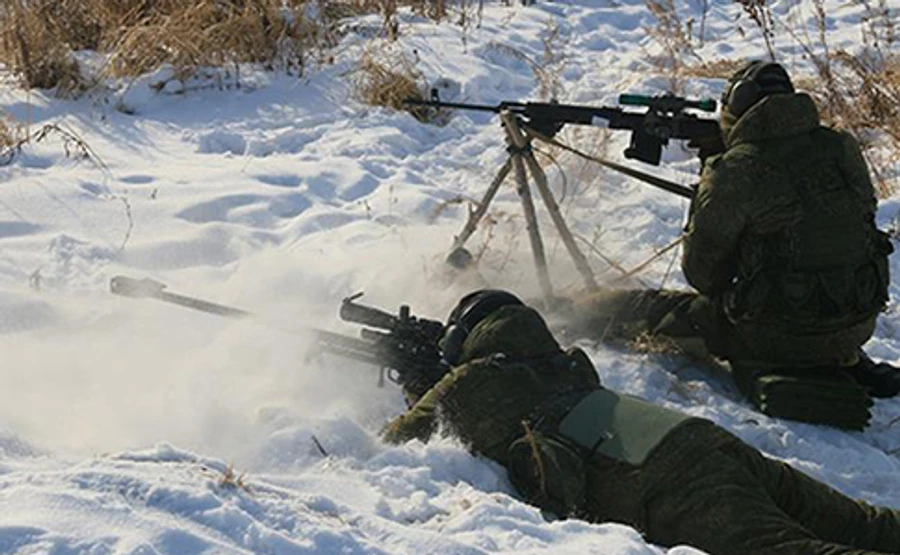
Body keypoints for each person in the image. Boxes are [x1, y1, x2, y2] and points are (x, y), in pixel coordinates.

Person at [382, 290, 900, 555]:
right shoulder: (565, 365)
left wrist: (421, 380)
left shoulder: (470, 384)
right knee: (867, 525)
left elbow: (399, 448)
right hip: (704, 442)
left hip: (676, 486)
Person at [564, 60, 895, 430]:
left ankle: (567, 309)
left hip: (778, 335)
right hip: (856, 322)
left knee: (643, 308)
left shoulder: (738, 169)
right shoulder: (840, 147)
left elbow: (703, 276)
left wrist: (712, 181)